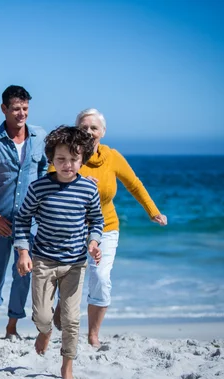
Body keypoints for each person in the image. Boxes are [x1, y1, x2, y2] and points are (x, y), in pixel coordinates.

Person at [52, 108, 168, 348]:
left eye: (94, 128)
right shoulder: (66, 154)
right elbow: (50, 178)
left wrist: (153, 211)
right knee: (68, 277)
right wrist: (77, 180)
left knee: (101, 277)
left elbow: (134, 184)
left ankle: (93, 334)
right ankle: (62, 302)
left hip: (105, 227)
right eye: (84, 127)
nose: (89, 131)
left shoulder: (112, 157)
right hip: (70, 228)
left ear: (103, 132)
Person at [15, 126, 104, 379]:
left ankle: (67, 368)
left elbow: (97, 220)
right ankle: (45, 331)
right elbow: (22, 220)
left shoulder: (88, 189)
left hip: (75, 263)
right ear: (51, 159)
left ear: (82, 159)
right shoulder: (39, 187)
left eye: (74, 159)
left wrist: (94, 242)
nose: (67, 165)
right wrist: (23, 251)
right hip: (43, 260)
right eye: (61, 159)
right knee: (42, 317)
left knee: (71, 320)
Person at [0, 85, 48, 339]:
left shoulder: (39, 136)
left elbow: (43, 169)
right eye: (16, 108)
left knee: (23, 274)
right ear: (4, 109)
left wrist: (41, 202)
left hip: (29, 222)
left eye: (25, 108)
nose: (21, 114)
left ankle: (12, 325)